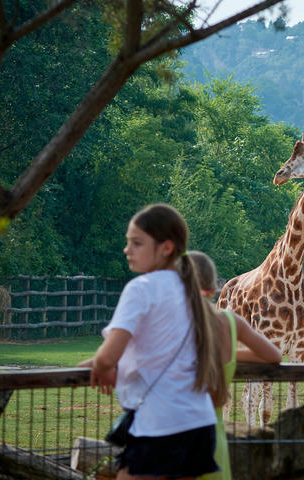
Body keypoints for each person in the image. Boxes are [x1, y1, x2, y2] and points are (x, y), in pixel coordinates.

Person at [78, 204, 225, 480]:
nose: (127, 250)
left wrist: (101, 364)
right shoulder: (190, 292)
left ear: (166, 247)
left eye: (136, 243)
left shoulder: (141, 289)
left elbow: (108, 357)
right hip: (199, 423)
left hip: (160, 425)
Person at [189, 250, 282, 480]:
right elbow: (273, 355)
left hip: (171, 442)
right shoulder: (230, 322)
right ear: (213, 289)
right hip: (214, 446)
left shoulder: (169, 324)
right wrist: (228, 356)